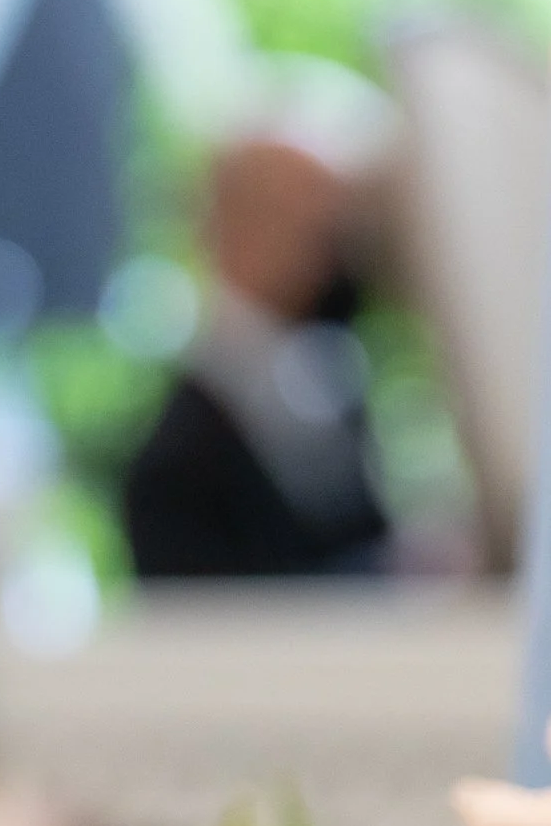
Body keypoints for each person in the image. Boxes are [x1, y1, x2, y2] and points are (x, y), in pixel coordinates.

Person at [121, 136, 389, 581]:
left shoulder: (326, 378)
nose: (324, 249)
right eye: (295, 214)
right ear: (226, 222)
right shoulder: (177, 459)